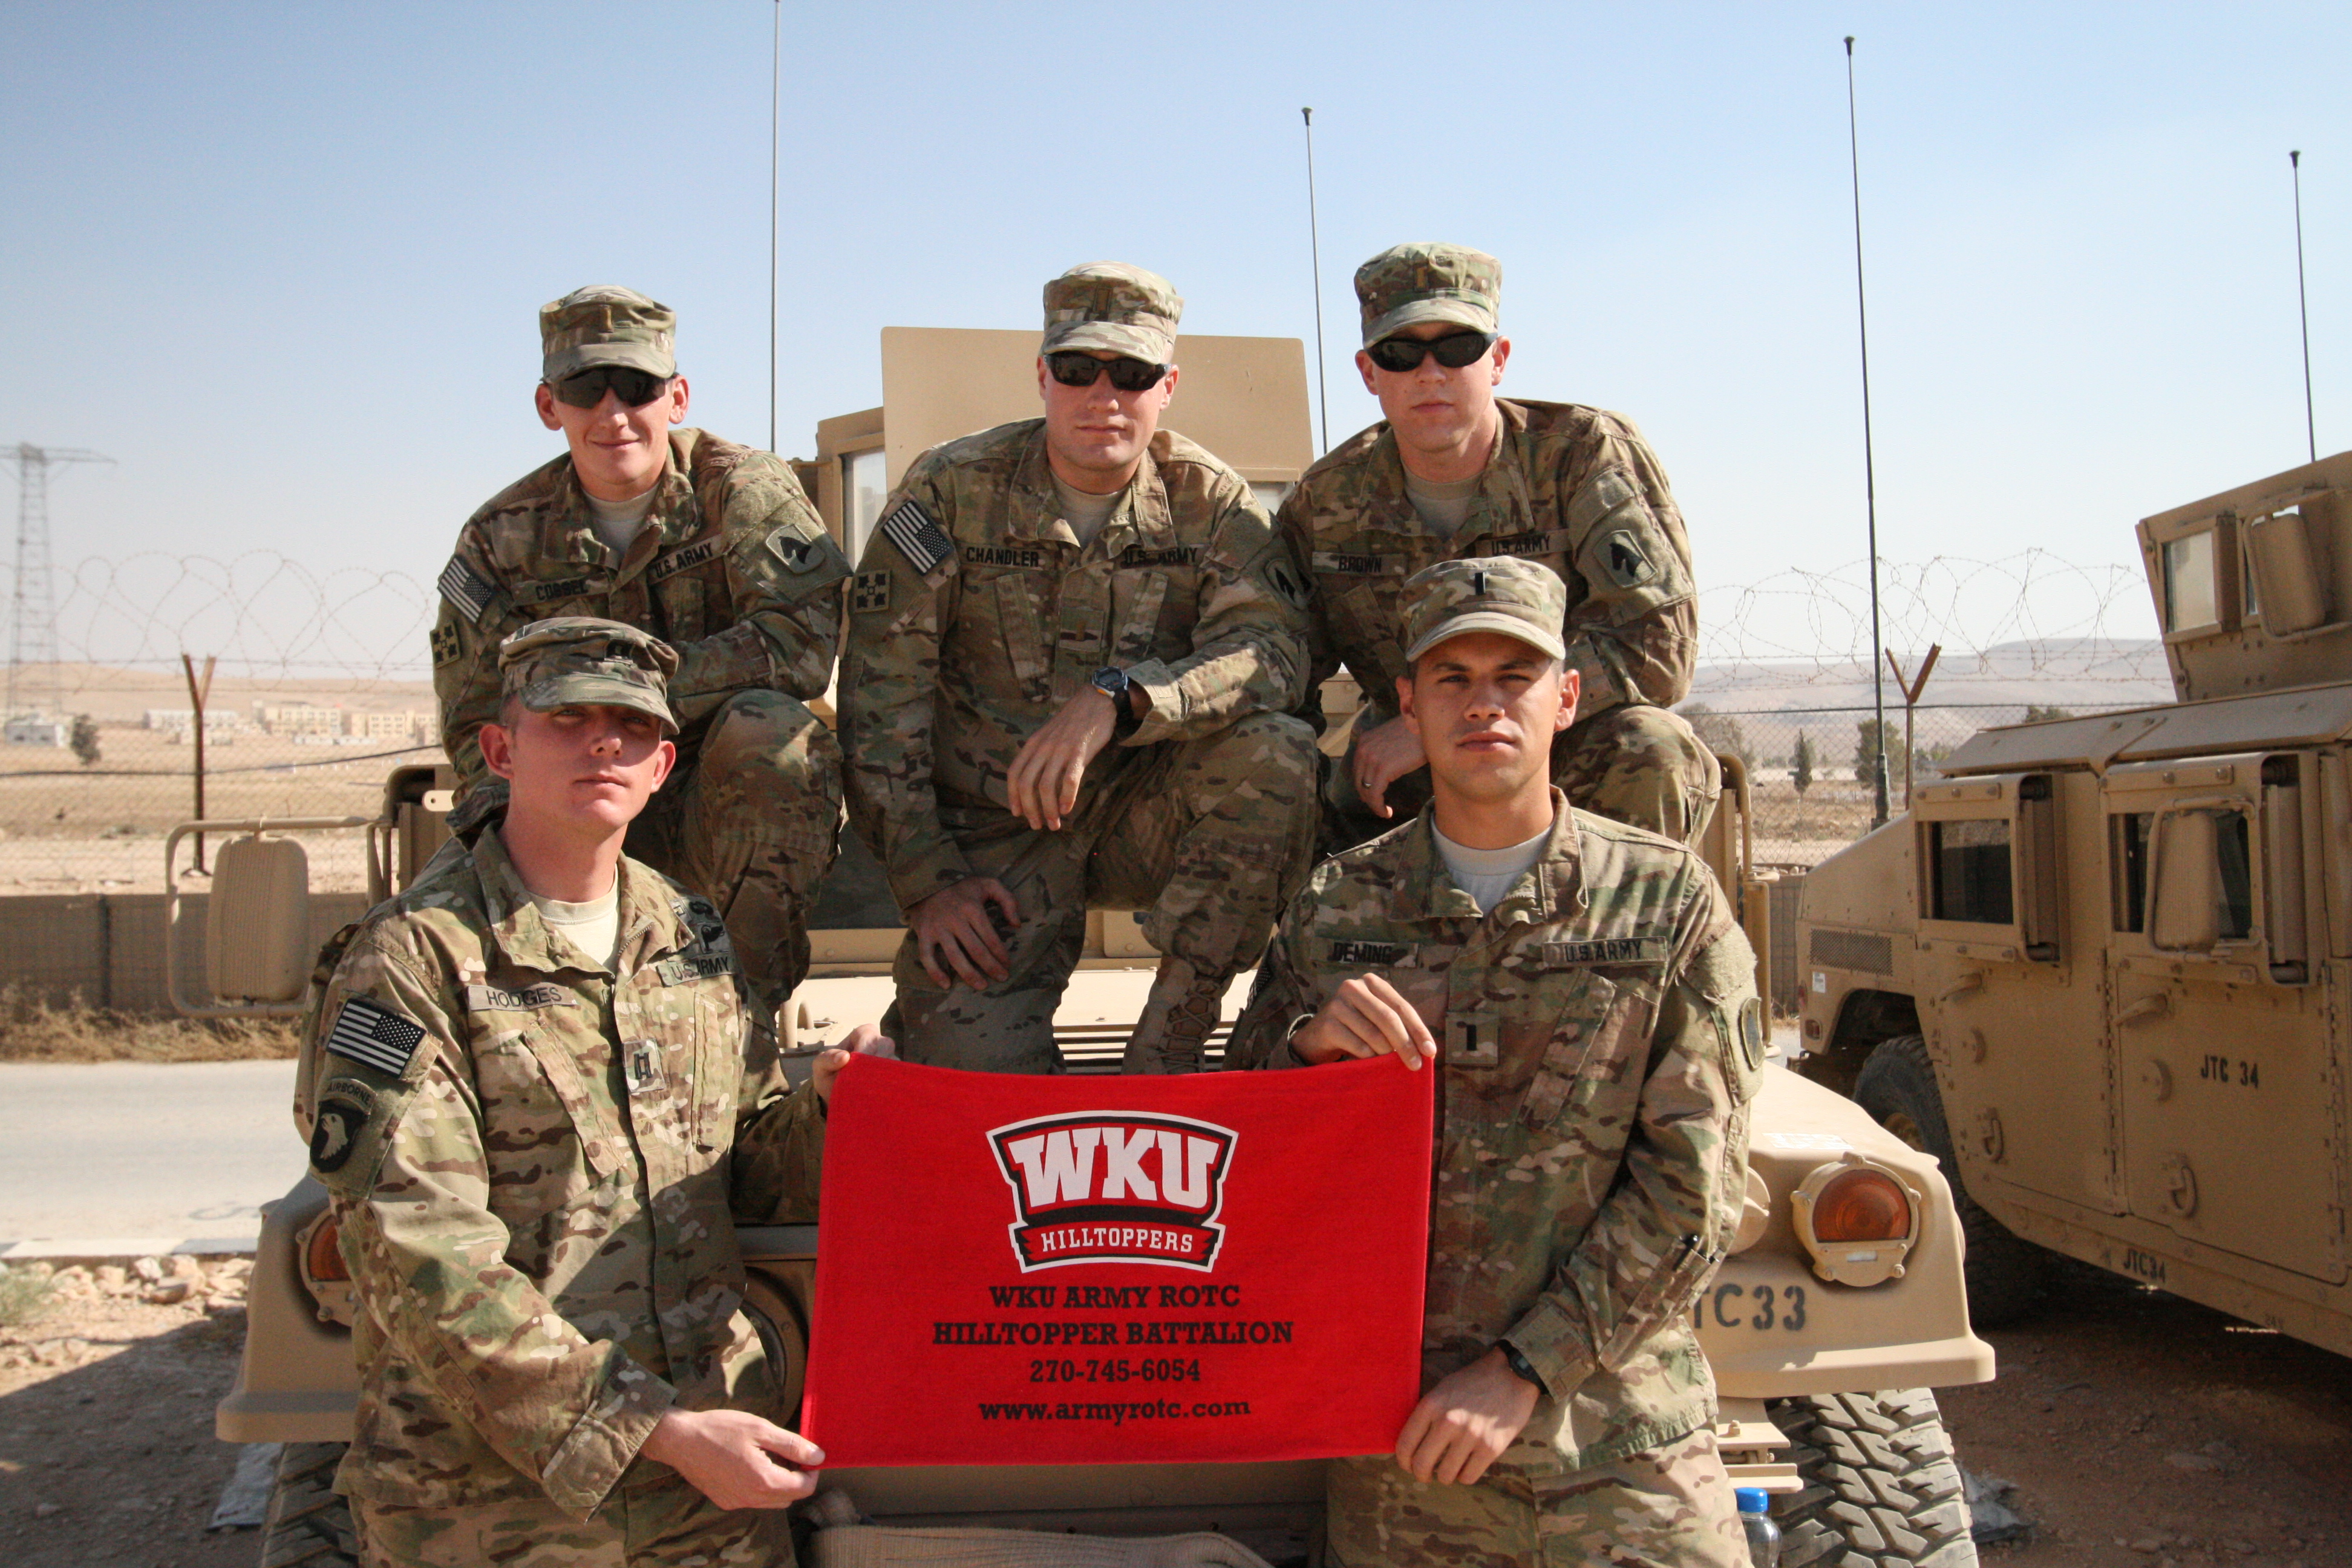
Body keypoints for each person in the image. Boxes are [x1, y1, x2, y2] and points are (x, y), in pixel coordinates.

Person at [296, 618, 887, 1567]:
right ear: (500, 749)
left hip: (708, 1502)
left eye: (632, 726)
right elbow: (417, 1254)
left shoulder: (684, 936)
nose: (603, 742)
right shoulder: (412, 960)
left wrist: (834, 1108)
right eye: (569, 719)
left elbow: (733, 1173)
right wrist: (659, 1431)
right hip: (494, 1509)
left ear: (662, 769)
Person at [1227, 558, 1763, 1567]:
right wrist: (1307, 1043)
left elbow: (1695, 1193)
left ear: (1564, 699)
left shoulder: (1664, 904)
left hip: (1617, 1452)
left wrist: (1525, 1367)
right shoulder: (1338, 906)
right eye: (1451, 678)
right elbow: (1236, 1120)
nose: (1483, 705)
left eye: (1513, 676)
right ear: (1406, 707)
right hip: (1406, 1463)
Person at [840, 261, 1318, 1074]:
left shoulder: (1209, 503)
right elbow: (884, 695)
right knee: (969, 1090)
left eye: (1131, 375)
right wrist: (928, 886)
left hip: (1144, 812)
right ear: (1042, 377)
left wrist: (1126, 699)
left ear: (1166, 386)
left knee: (1277, 752)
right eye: (1077, 370)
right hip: (993, 837)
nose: (1104, 395)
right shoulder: (954, 491)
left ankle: (1169, 1041)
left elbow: (1272, 652)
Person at [430, 286, 849, 1042]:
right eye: (586, 389)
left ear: (677, 397)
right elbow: (474, 726)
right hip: (570, 804)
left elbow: (804, 642)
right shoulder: (501, 539)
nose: (614, 412)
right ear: (549, 405)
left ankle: (738, 1019)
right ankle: (547, 1030)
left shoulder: (739, 491)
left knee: (777, 735)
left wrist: (629, 699)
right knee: (436, 906)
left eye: (639, 387)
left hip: (713, 803)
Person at [1278, 242, 1720, 856]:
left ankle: (1616, 947)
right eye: (1401, 353)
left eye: (1457, 348)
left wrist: (1457, 724)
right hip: (1405, 777)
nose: (1429, 373)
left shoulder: (1582, 457)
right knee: (1275, 768)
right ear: (1368, 371)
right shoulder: (1324, 505)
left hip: (1561, 757)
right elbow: (1282, 665)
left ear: (1499, 359)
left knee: (1654, 750)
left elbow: (1658, 645)